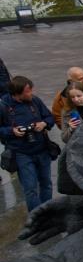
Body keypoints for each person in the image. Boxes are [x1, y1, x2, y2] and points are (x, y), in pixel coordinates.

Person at [0, 76, 55, 212]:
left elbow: (49, 117)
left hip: (42, 149)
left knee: (46, 184)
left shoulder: (35, 101)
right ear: (18, 94)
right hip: (21, 153)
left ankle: (48, 213)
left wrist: (44, 123)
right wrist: (12, 131)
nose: (31, 93)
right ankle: (36, 218)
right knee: (30, 189)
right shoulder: (3, 106)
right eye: (28, 91)